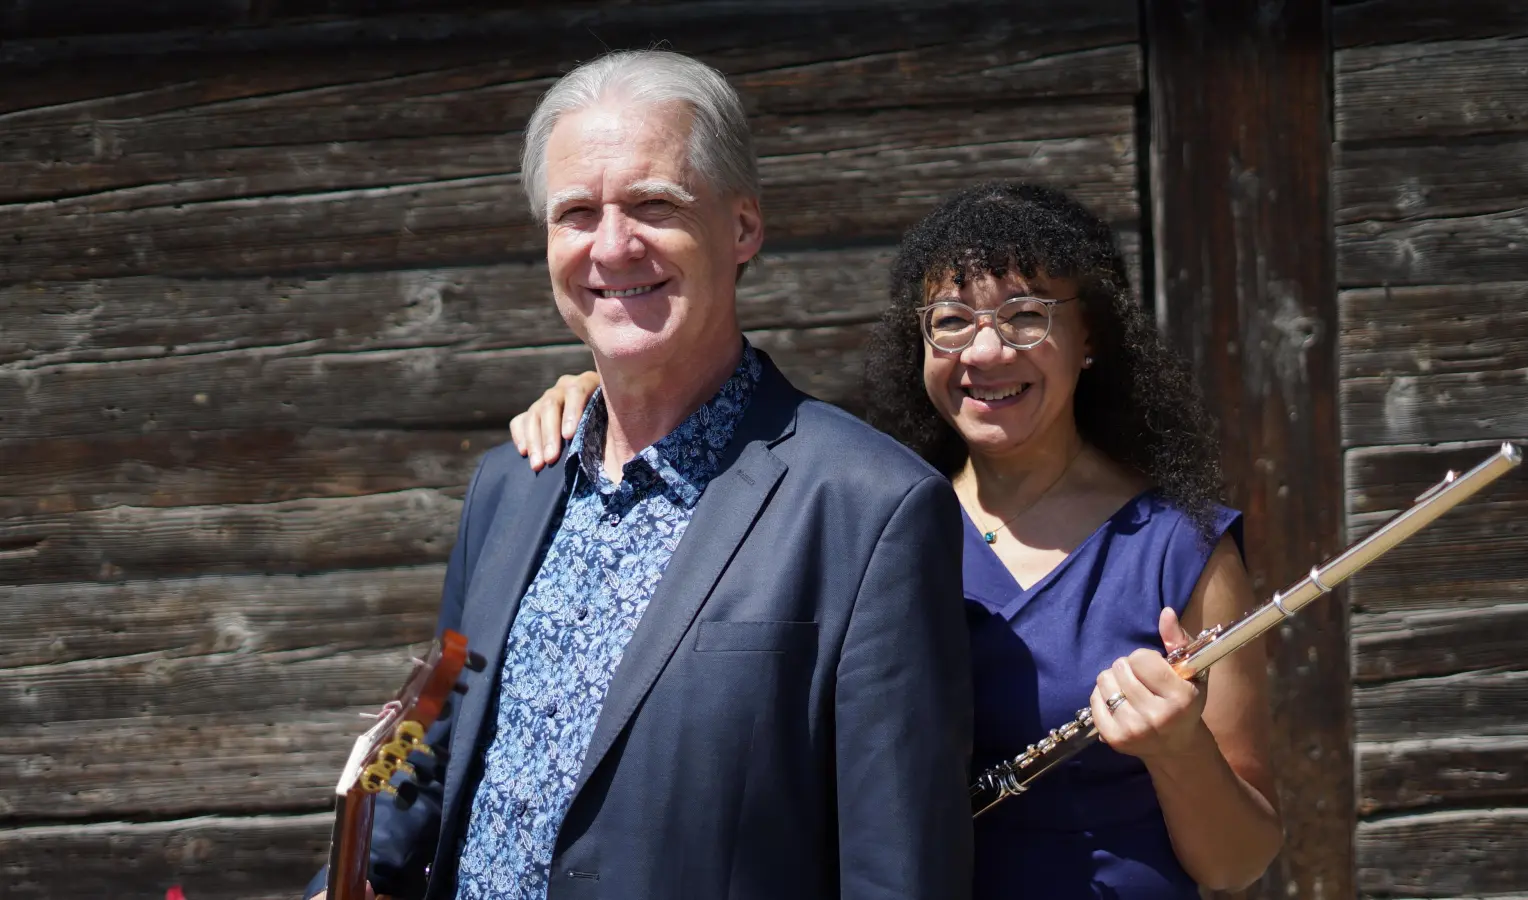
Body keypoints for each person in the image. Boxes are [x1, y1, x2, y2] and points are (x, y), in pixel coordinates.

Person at [307, 50, 974, 900]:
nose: (612, 246)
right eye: (577, 213)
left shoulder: (870, 508)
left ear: (742, 227)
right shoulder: (509, 486)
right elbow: (436, 752)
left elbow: (901, 871)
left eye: (653, 205)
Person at [510, 182, 1284, 897]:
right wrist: (600, 395)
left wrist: (1178, 750)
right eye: (951, 322)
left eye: (1026, 317)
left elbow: (1239, 863)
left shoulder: (1185, 551)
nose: (984, 354)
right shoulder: (869, 518)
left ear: (1089, 337)